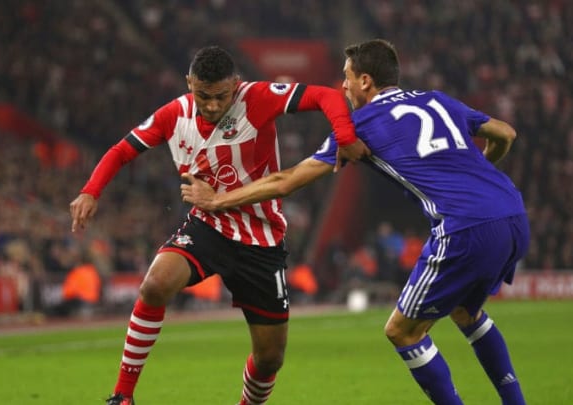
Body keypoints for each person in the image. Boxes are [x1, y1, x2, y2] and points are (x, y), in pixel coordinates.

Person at [181, 39, 529, 405]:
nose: (342, 86)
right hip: (512, 212)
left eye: (346, 77)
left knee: (402, 331)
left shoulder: (361, 123)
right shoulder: (436, 99)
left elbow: (285, 181)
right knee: (466, 311)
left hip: (466, 226)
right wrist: (480, 175)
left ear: (365, 80)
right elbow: (505, 133)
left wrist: (217, 200)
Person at [69, 45, 370, 405]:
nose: (211, 105)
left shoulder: (256, 98)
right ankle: (122, 396)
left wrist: (345, 137)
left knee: (270, 358)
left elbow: (324, 95)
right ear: (189, 84)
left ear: (236, 85)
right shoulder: (173, 114)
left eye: (220, 96)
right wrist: (90, 191)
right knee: (155, 284)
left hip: (261, 239)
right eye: (203, 96)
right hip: (208, 226)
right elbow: (121, 150)